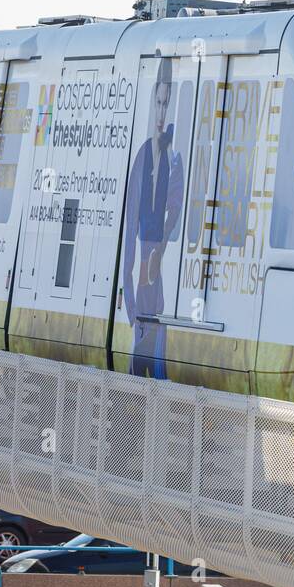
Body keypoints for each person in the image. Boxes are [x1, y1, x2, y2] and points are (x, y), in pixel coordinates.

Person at [122, 59, 184, 377]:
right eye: (157, 104)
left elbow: (176, 210)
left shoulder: (175, 162)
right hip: (143, 264)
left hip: (156, 263)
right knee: (141, 340)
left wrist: (160, 246)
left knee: (154, 338)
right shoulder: (142, 156)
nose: (161, 114)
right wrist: (127, 291)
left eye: (167, 105)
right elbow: (130, 223)